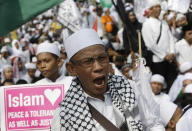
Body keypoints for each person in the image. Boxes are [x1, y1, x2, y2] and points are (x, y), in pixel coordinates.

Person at [51, 29, 165, 131]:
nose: (98, 67)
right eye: (88, 62)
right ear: (72, 69)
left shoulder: (128, 87)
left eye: (102, 58)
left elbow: (153, 123)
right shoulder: (64, 114)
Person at [141, 0, 177, 90]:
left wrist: (172, 52)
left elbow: (171, 38)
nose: (159, 9)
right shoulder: (147, 24)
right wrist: (165, 55)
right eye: (156, 7)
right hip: (157, 60)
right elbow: (150, 44)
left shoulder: (164, 23)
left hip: (169, 60)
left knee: (171, 84)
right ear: (151, 10)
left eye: (159, 7)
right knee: (160, 85)